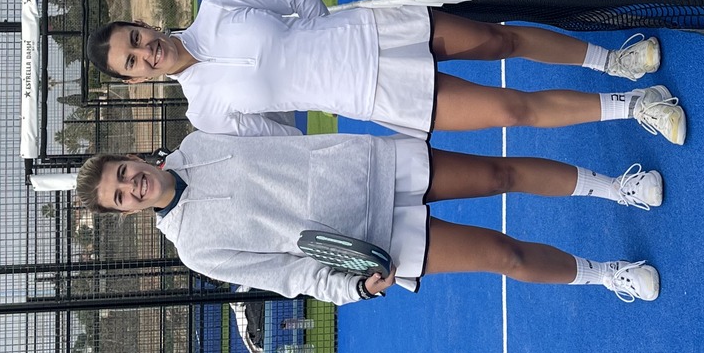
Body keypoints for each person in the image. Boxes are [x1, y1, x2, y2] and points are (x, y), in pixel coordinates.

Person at [74, 132, 664, 304]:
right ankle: (607, 274)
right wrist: (353, 287)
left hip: (374, 168)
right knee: (500, 255)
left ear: (131, 158)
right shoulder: (195, 250)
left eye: (122, 173)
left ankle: (617, 188)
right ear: (127, 212)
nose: (131, 186)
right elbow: (288, 274)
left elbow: (282, 133)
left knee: (498, 173)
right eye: (120, 197)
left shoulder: (200, 141)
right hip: (369, 241)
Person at [87, 0, 687, 145]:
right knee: (512, 110)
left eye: (135, 39)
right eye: (133, 62)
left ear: (143, 24)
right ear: (136, 81)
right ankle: (637, 105)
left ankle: (617, 61)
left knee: (498, 40)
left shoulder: (217, 7)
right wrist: (315, 84)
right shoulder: (205, 113)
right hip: (372, 95)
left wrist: (326, 35)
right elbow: (282, 138)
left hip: (375, 33)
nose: (145, 51)